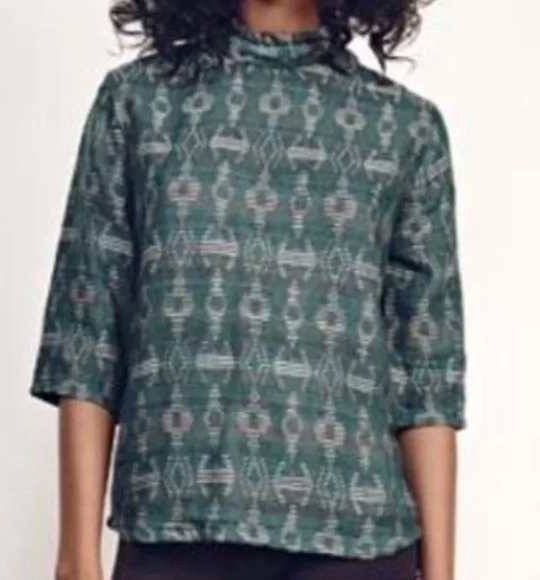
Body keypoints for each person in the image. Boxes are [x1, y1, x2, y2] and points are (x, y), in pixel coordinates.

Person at [30, 0, 467, 579]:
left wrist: (442, 575)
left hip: (358, 542)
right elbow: (87, 335)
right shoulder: (138, 102)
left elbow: (427, 373)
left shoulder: (405, 128)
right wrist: (75, 558)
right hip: (174, 531)